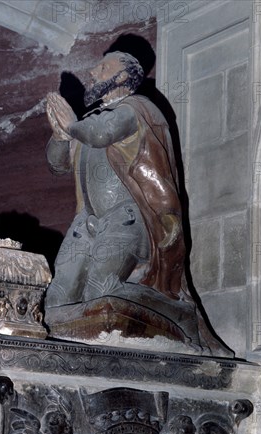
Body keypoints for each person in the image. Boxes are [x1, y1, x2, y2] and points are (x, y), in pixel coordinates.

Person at [45, 51, 185, 308]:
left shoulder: (138, 108)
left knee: (100, 291)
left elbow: (103, 133)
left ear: (121, 77)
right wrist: (61, 137)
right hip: (87, 220)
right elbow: (58, 165)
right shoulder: (88, 121)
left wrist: (72, 126)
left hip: (127, 217)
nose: (92, 73)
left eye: (102, 68)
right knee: (57, 297)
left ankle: (161, 307)